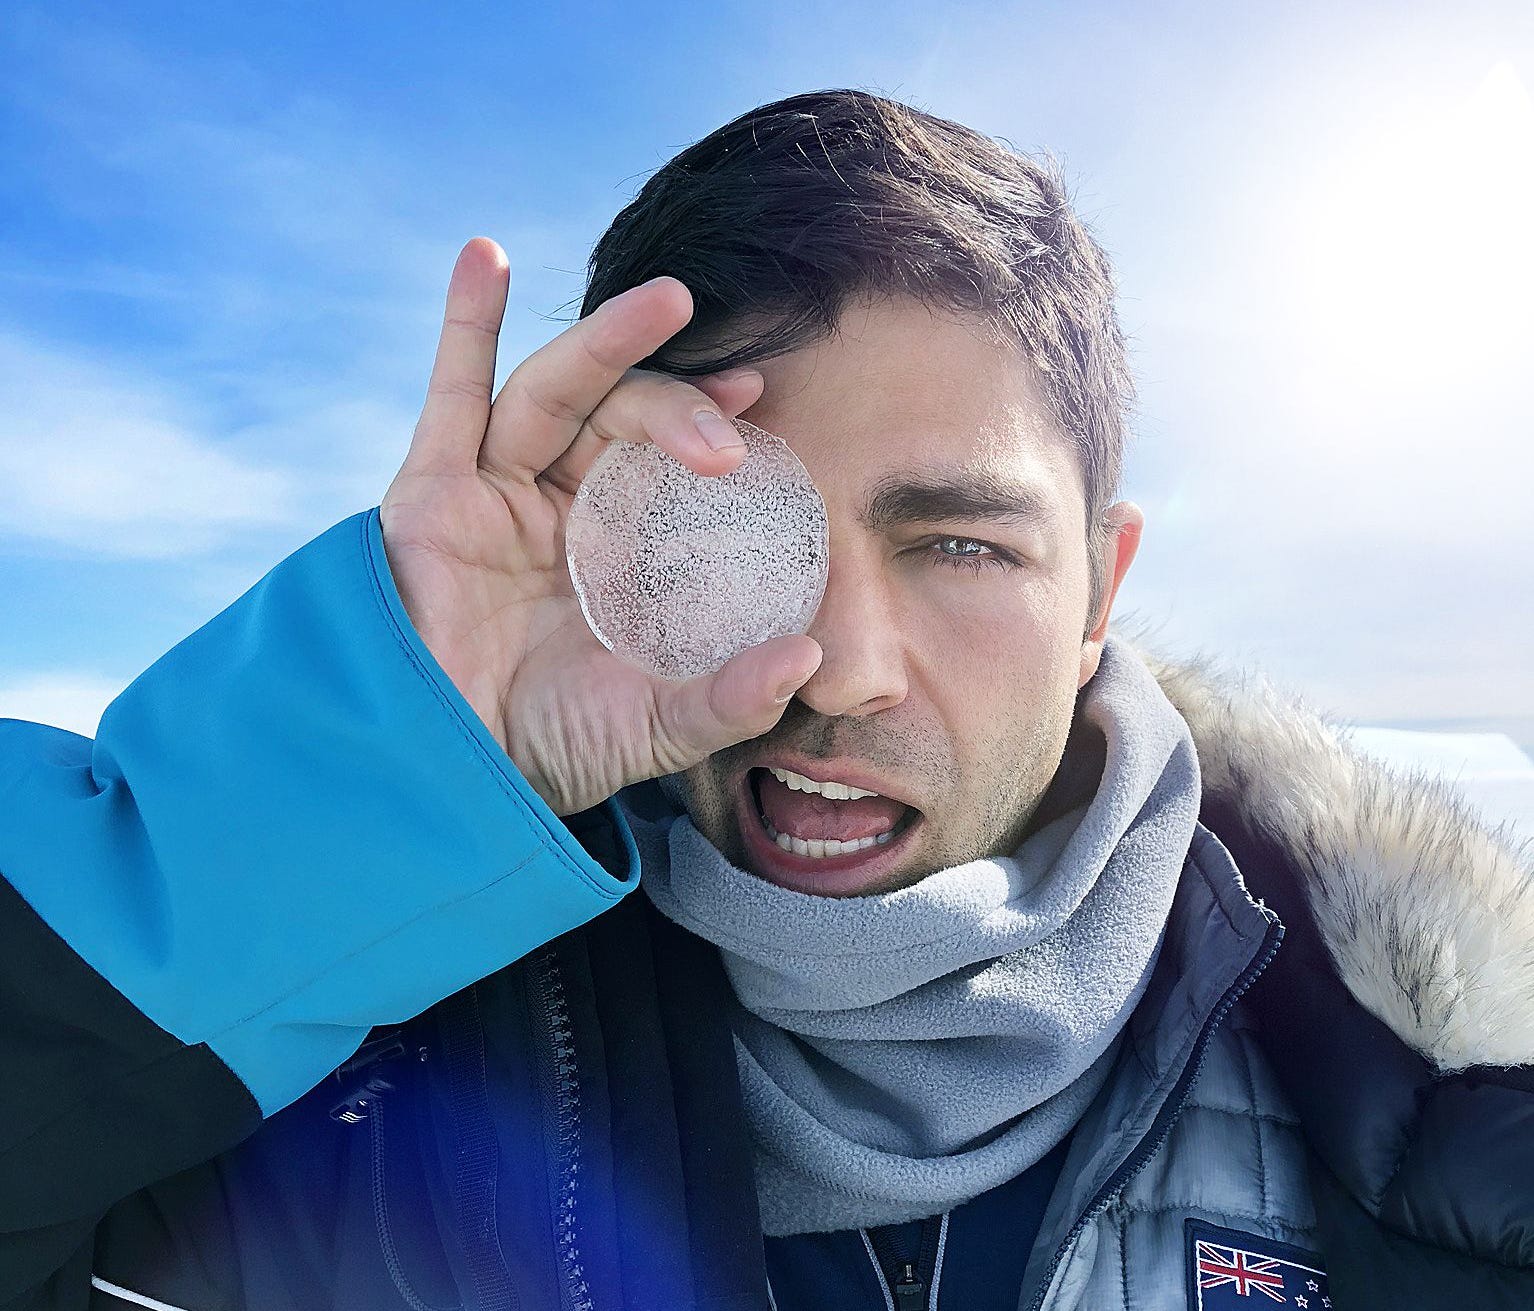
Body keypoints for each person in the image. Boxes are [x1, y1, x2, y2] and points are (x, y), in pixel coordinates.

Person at [2, 88, 1530, 1311]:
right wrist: (395, 752)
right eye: (735, 534)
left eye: (957, 544)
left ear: (1098, 596)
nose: (833, 668)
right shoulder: (350, 1080)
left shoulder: (1445, 1127)